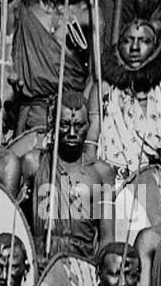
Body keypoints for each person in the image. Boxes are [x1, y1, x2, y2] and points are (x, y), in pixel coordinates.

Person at [21, 87, 114, 264]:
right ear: (52, 124)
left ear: (88, 125)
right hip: (42, 262)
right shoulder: (34, 163)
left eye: (78, 125)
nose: (72, 133)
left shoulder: (102, 172)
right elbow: (19, 221)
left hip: (83, 264)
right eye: (64, 124)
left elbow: (107, 239)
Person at [87, 18, 161, 186]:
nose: (134, 48)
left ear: (156, 48)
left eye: (144, 41)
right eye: (128, 41)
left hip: (160, 188)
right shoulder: (104, 92)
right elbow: (90, 145)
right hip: (114, 186)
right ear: (118, 48)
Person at [11, 0, 91, 137]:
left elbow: (95, 74)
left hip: (73, 117)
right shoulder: (25, 9)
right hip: (34, 114)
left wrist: (79, 108)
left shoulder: (86, 12)